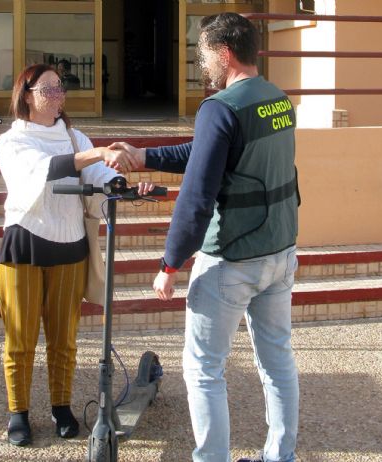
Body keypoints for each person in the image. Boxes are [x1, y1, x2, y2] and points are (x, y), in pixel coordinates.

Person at [111, 13, 300, 462]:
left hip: (232, 258)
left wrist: (169, 263)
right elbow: (208, 153)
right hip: (279, 253)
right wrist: (143, 155)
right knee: (277, 362)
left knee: (203, 369)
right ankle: (280, 456)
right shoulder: (277, 99)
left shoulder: (220, 107)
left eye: (204, 52)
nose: (201, 61)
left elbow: (197, 195)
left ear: (225, 53)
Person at [0, 63, 146, 446]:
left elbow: (99, 176)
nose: (59, 96)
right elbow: (40, 171)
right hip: (24, 245)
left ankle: (61, 407)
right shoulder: (12, 142)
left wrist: (121, 183)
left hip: (70, 245)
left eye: (61, 89)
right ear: (26, 95)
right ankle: (19, 413)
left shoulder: (76, 138)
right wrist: (96, 154)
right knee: (20, 337)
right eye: (49, 90)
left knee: (64, 338)